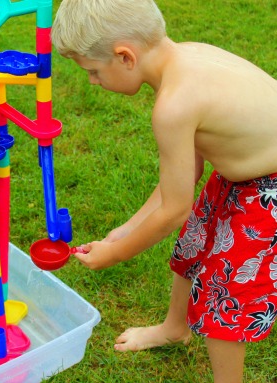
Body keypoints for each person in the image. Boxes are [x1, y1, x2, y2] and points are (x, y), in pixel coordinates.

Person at [51, 1, 277, 382]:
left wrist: (116, 254)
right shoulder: (188, 55)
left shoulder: (173, 106)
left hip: (268, 192)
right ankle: (175, 329)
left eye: (92, 71)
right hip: (243, 176)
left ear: (125, 56)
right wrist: (124, 230)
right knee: (195, 245)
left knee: (223, 293)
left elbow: (174, 210)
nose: (92, 81)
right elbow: (189, 175)